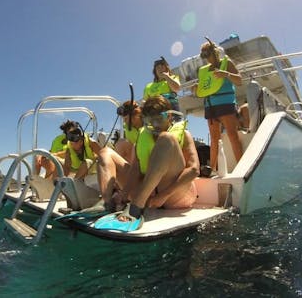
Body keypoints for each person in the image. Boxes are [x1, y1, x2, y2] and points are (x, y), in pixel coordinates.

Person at [96, 95, 200, 231]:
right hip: (148, 195)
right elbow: (135, 168)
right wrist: (124, 194)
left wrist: (164, 195)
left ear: (169, 116)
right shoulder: (143, 135)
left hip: (173, 196)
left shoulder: (184, 135)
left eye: (159, 120)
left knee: (166, 138)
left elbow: (194, 170)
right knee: (105, 152)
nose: (155, 126)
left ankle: (136, 207)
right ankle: (106, 203)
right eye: (149, 121)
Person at [196, 40, 243, 169]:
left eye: (208, 54)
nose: (207, 58)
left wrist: (226, 74)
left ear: (216, 52)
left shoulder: (226, 63)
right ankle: (212, 169)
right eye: (204, 55)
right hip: (210, 106)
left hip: (225, 104)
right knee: (214, 139)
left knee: (232, 135)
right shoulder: (203, 71)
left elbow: (239, 81)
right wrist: (196, 89)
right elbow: (204, 88)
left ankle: (242, 167)